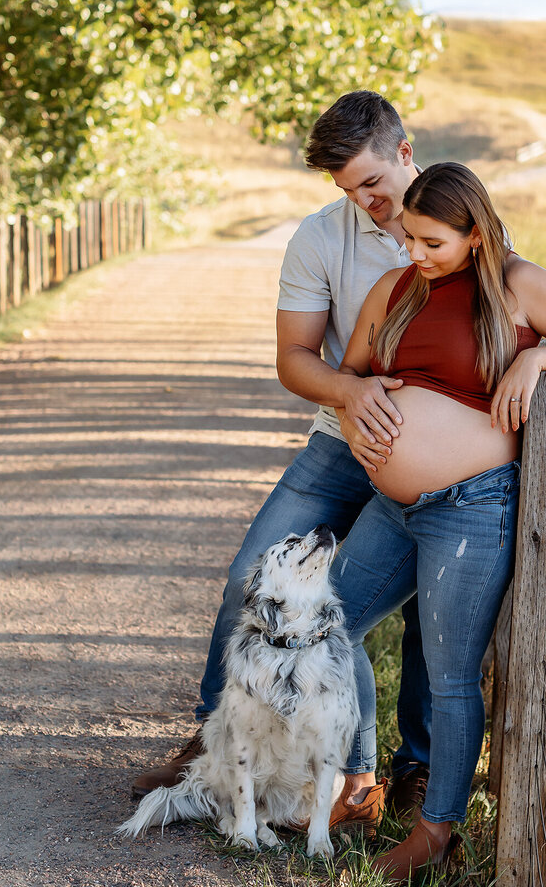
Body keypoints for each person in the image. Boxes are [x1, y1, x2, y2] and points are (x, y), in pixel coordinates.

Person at [131, 91, 433, 827]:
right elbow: (294, 360)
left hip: (431, 461)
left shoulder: (463, 221)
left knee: (430, 608)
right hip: (340, 445)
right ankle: (217, 740)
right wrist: (352, 395)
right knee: (249, 574)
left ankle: (412, 771)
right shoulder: (320, 238)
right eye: (348, 191)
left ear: (404, 152)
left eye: (373, 185)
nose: (366, 204)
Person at [329, 162, 546, 882]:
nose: (414, 254)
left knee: (454, 675)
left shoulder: (519, 284)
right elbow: (351, 370)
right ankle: (357, 783)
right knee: (329, 625)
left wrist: (541, 359)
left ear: (474, 233)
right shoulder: (396, 290)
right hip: (396, 509)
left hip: (472, 506)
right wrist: (357, 401)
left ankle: (438, 830)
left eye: (432, 242)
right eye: (409, 239)